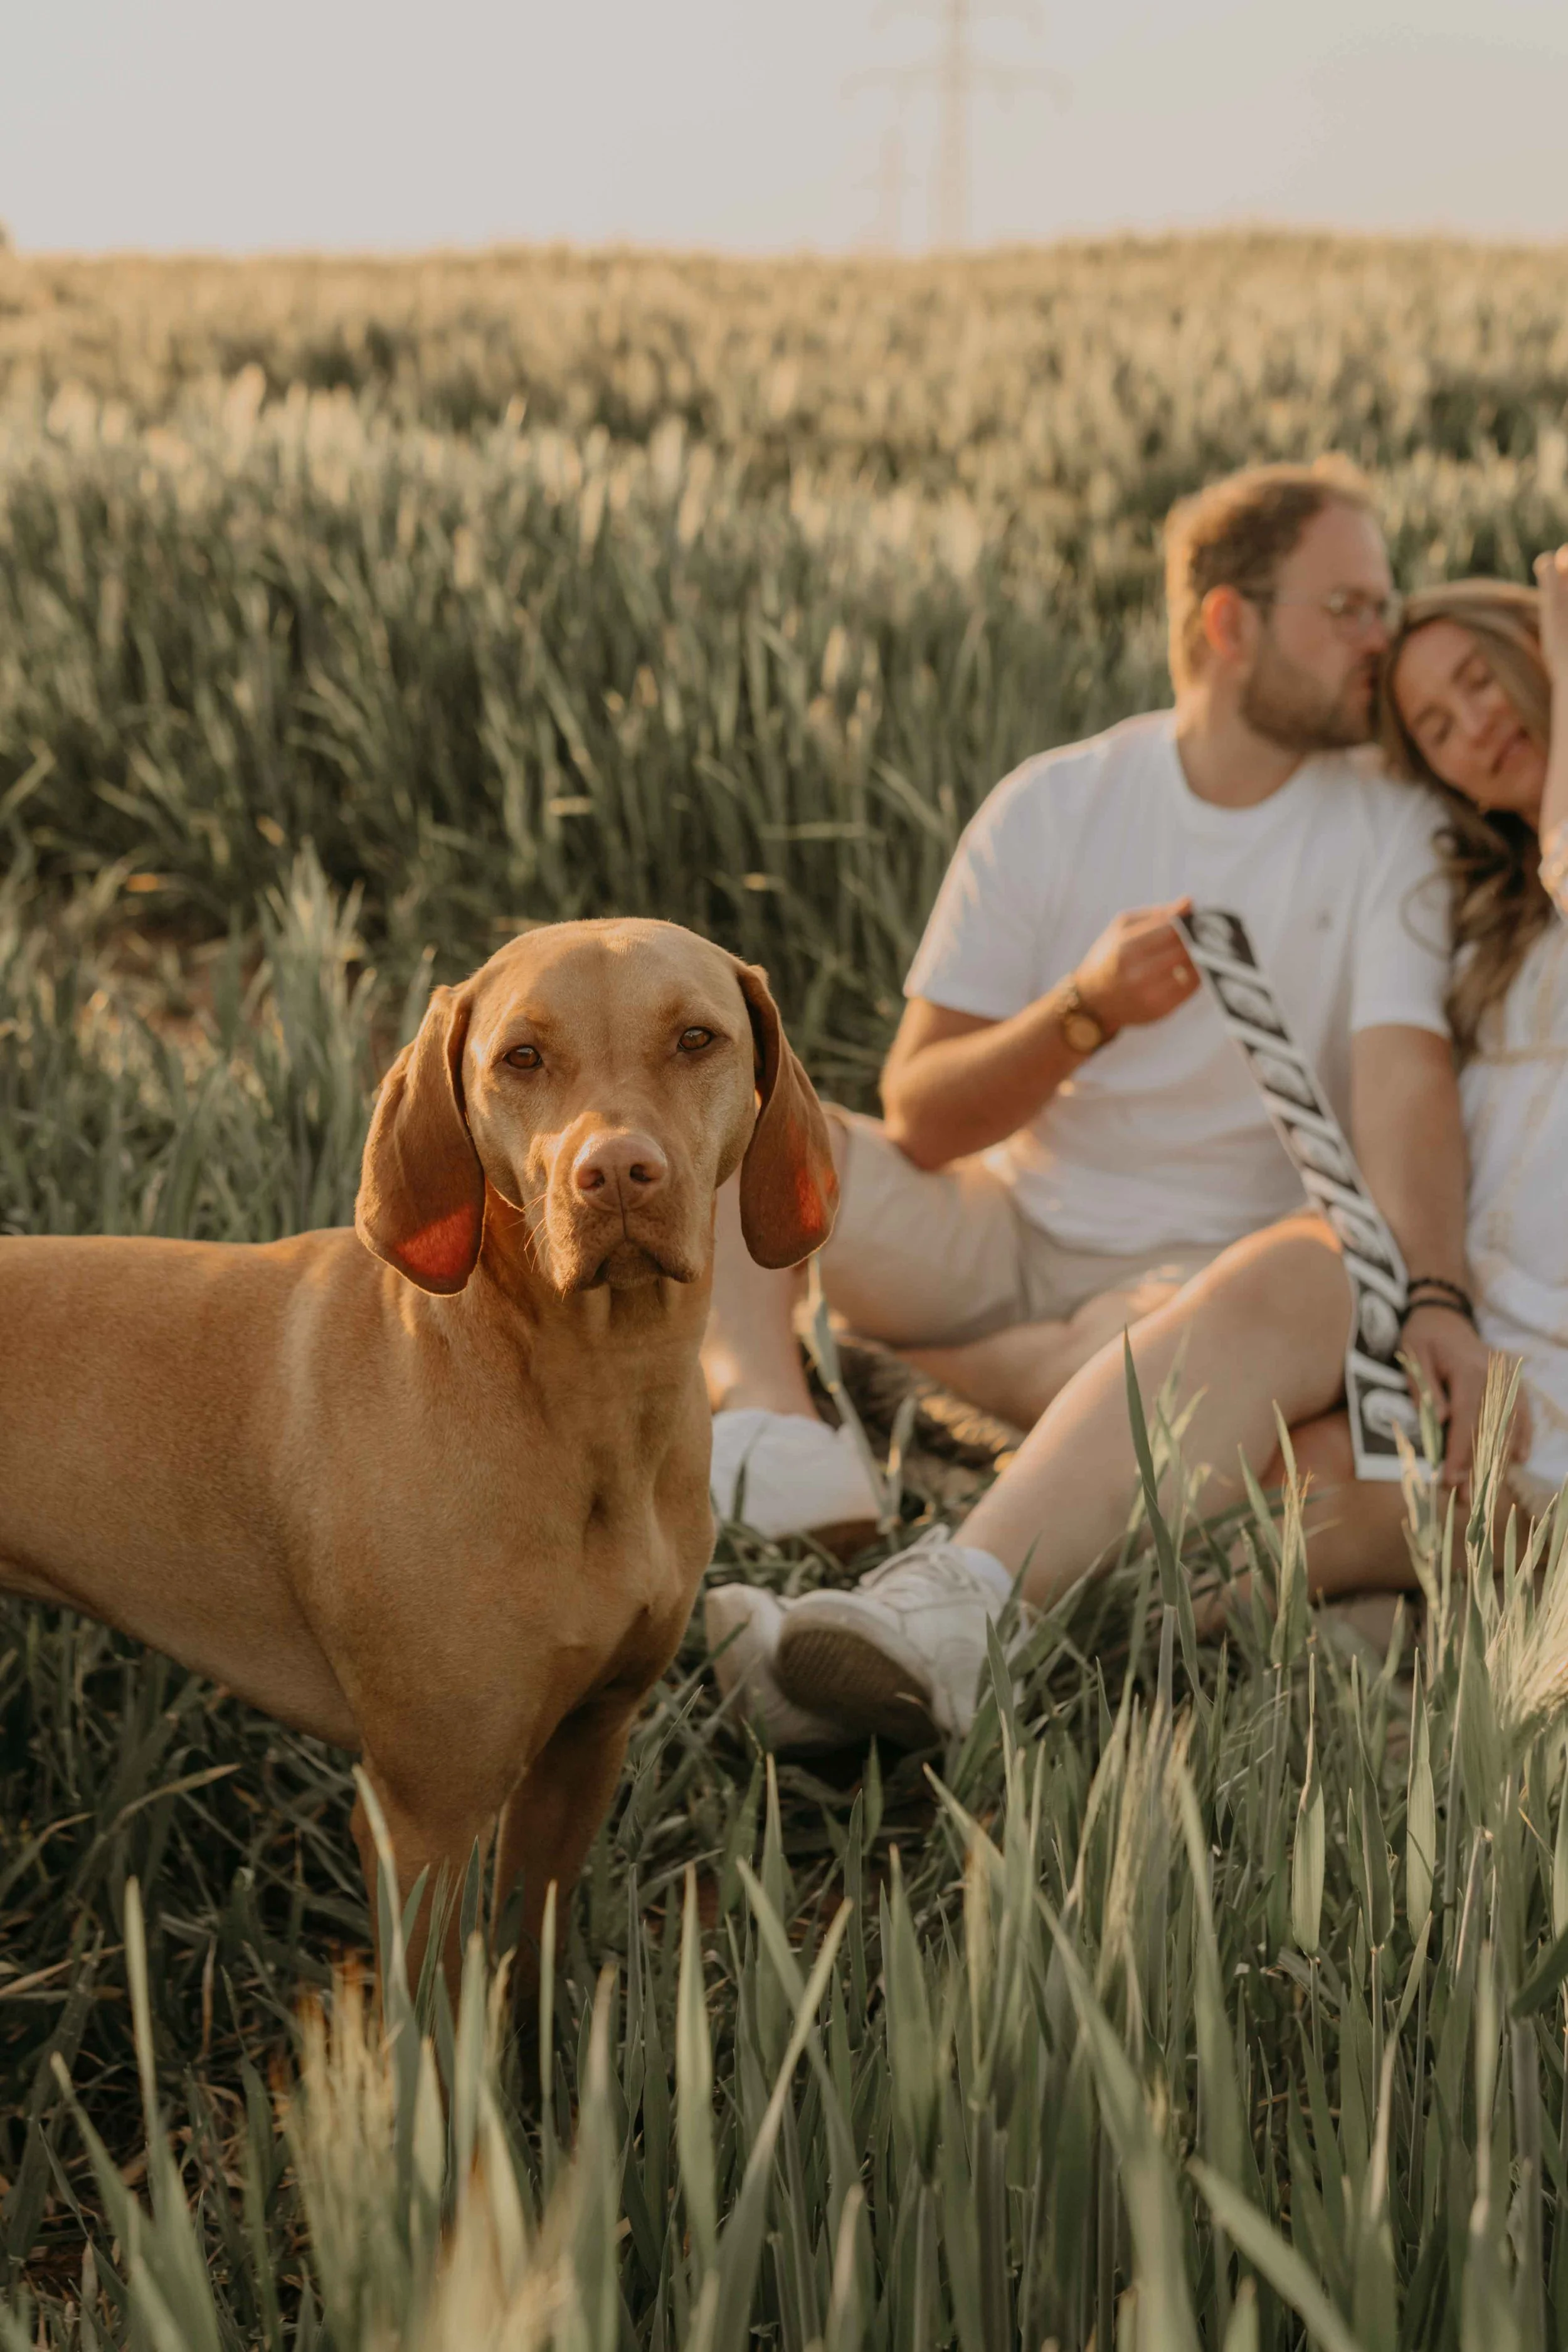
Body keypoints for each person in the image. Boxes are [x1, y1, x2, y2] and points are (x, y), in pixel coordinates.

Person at [702, 458, 1496, 1750]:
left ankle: (946, 1452)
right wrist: (1083, 1010)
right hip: (1007, 1236)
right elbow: (922, 1116)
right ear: (1227, 623)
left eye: (1384, 603)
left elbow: (1404, 1081)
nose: (1381, 637)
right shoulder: (1055, 802)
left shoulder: (1384, 826)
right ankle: (786, 1440)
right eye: (1346, 606)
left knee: (1250, 1312)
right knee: (746, 1115)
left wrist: (1428, 1290)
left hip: (1191, 1292)